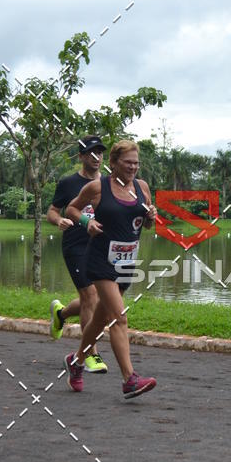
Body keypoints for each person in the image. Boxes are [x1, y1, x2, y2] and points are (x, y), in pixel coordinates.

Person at [63, 140, 157, 398]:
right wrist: (86, 222)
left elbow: (146, 223)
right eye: (128, 163)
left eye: (136, 163)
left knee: (101, 319)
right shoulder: (97, 187)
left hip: (126, 262)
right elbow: (70, 208)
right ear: (114, 162)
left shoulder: (141, 187)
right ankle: (129, 379)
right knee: (119, 317)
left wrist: (151, 218)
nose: (133, 168)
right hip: (100, 260)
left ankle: (76, 361)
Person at [46, 135, 107, 373]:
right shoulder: (68, 183)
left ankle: (61, 313)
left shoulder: (110, 183)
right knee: (90, 297)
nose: (96, 157)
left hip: (101, 247)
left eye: (100, 152)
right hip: (76, 246)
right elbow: (52, 211)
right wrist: (59, 219)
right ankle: (90, 354)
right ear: (81, 156)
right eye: (91, 152)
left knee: (89, 300)